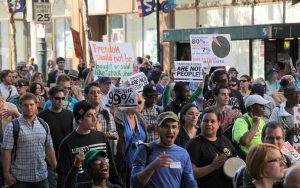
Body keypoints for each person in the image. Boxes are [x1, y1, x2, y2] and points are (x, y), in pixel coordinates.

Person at [56, 100, 122, 188]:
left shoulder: (101, 137)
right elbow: (63, 175)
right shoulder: (67, 143)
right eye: (89, 115)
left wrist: (119, 184)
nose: (95, 119)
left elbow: (111, 166)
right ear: (79, 119)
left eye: (95, 114)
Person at [2, 93, 57, 188]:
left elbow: (49, 148)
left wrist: (56, 169)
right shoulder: (12, 126)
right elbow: (6, 151)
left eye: (31, 105)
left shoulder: (44, 124)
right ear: (20, 106)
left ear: (36, 105)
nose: (29, 108)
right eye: (25, 105)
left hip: (42, 176)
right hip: (20, 178)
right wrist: (6, 174)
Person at [131, 111, 197, 187]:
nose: (170, 131)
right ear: (157, 128)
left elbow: (190, 182)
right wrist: (152, 167)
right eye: (166, 126)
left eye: (174, 127)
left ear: (178, 129)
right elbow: (134, 183)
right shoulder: (144, 149)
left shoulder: (183, 153)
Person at [185, 108, 236, 188]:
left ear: (219, 123)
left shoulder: (224, 140)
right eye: (205, 121)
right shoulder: (194, 144)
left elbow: (235, 159)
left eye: (212, 121)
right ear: (201, 123)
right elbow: (190, 173)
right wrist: (212, 166)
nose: (209, 124)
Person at [38, 86, 74, 188]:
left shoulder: (69, 114)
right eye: (57, 98)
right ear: (50, 98)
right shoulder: (42, 116)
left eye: (63, 98)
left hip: (67, 159)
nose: (61, 101)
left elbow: (72, 135)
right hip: (49, 160)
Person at [114, 97, 147, 188]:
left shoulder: (140, 118)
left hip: (141, 165)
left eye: (139, 102)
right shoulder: (118, 118)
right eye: (133, 101)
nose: (137, 104)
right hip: (125, 165)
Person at [84, 82, 118, 151]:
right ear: (86, 96)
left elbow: (115, 135)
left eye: (98, 92)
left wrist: (108, 135)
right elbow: (80, 137)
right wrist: (102, 134)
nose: (96, 95)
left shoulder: (106, 113)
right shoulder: (82, 115)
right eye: (92, 93)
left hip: (104, 155)